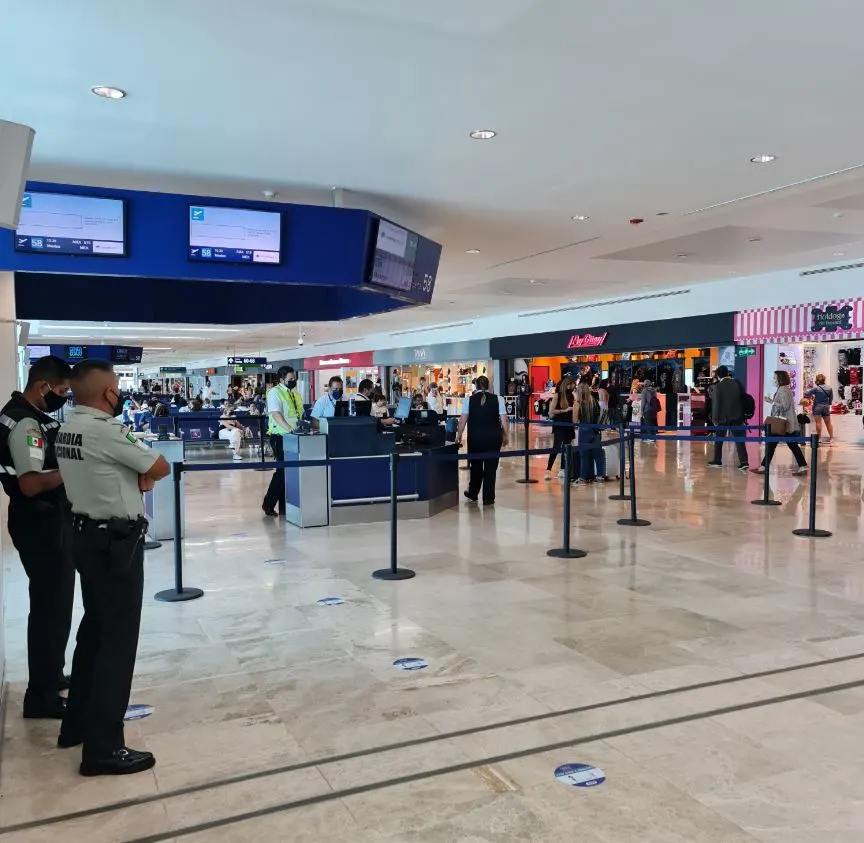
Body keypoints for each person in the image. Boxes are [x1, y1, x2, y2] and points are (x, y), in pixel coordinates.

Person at [55, 359, 171, 776]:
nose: (119, 394)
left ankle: (78, 726)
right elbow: (158, 466)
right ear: (108, 393)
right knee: (117, 646)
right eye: (117, 387)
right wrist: (140, 474)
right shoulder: (104, 430)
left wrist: (133, 474)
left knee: (94, 632)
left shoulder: (68, 427)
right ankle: (103, 748)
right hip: (114, 543)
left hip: (85, 535)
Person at [0, 355, 75, 719]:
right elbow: (31, 483)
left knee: (53, 604)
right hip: (40, 521)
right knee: (51, 607)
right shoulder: (26, 423)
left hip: (38, 520)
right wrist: (70, 471)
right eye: (61, 391)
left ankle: (51, 674)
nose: (63, 397)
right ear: (44, 386)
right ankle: (41, 696)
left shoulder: (17, 412)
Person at [455, 376, 509, 506]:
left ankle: (473, 493)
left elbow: (463, 420)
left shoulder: (469, 400)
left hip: (476, 438)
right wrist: (506, 436)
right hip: (493, 438)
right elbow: (504, 419)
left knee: (476, 466)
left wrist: (459, 435)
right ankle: (488, 498)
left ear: (476, 386)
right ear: (489, 386)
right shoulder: (498, 399)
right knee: (491, 468)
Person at [262, 366, 305, 517]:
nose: (293, 381)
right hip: (281, 436)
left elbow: (298, 414)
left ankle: (286, 506)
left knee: (291, 471)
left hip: (295, 436)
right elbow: (275, 413)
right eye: (290, 379)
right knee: (282, 471)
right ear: (281, 380)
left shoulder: (295, 394)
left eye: (294, 379)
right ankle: (268, 504)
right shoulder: (275, 392)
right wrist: (289, 429)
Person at [755, 370, 807, 475]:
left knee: (774, 445)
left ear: (780, 378)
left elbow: (784, 405)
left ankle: (763, 467)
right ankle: (802, 466)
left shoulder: (783, 390)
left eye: (775, 378)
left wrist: (772, 401)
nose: (774, 380)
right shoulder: (784, 389)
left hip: (783, 423)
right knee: (788, 445)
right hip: (785, 422)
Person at [707, 365, 749, 471]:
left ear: (718, 375)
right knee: (739, 440)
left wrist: (715, 419)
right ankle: (744, 462)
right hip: (737, 416)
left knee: (719, 439)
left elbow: (716, 404)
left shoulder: (718, 387)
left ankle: (717, 460)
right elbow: (743, 398)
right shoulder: (737, 384)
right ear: (727, 373)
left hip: (723, 418)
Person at [572, 382, 604, 485]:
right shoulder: (594, 401)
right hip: (595, 429)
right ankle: (600, 477)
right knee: (597, 456)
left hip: (584, 430)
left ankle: (583, 478)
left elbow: (575, 420)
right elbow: (599, 415)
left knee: (584, 456)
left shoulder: (578, 403)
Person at [544, 377, 574, 480]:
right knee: (556, 446)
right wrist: (565, 410)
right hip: (560, 423)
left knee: (566, 447)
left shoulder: (571, 395)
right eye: (571, 384)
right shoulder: (557, 395)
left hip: (569, 424)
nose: (572, 386)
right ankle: (548, 469)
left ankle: (563, 469)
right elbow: (552, 410)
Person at [803, 374, 834, 443]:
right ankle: (831, 438)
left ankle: (819, 438)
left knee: (818, 423)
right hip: (826, 406)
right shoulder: (829, 388)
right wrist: (828, 404)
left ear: (817, 380)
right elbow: (831, 399)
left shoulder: (816, 388)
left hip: (817, 406)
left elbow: (807, 394)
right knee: (828, 423)